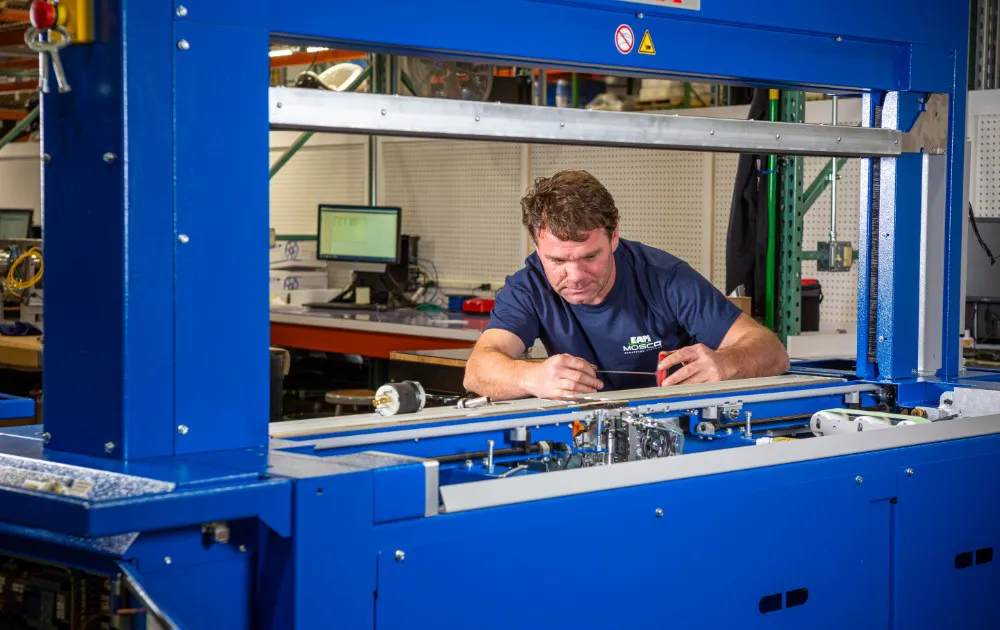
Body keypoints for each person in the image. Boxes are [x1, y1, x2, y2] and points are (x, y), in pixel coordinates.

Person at [463, 169, 790, 400]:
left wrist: (724, 363)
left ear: (614, 235)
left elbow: (772, 351)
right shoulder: (529, 286)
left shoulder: (665, 278)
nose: (575, 276)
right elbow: (477, 370)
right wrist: (531, 377)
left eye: (590, 257)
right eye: (558, 261)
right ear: (537, 246)